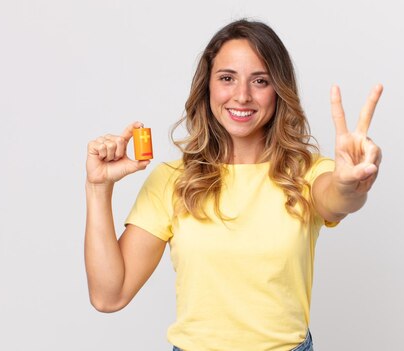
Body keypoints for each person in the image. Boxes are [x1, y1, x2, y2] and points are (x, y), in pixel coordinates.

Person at [84, 19, 383, 351]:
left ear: (278, 91)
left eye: (260, 81)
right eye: (227, 78)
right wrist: (98, 188)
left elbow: (337, 198)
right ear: (208, 86)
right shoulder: (172, 180)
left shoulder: (307, 173)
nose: (242, 96)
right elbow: (109, 295)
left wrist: (349, 184)